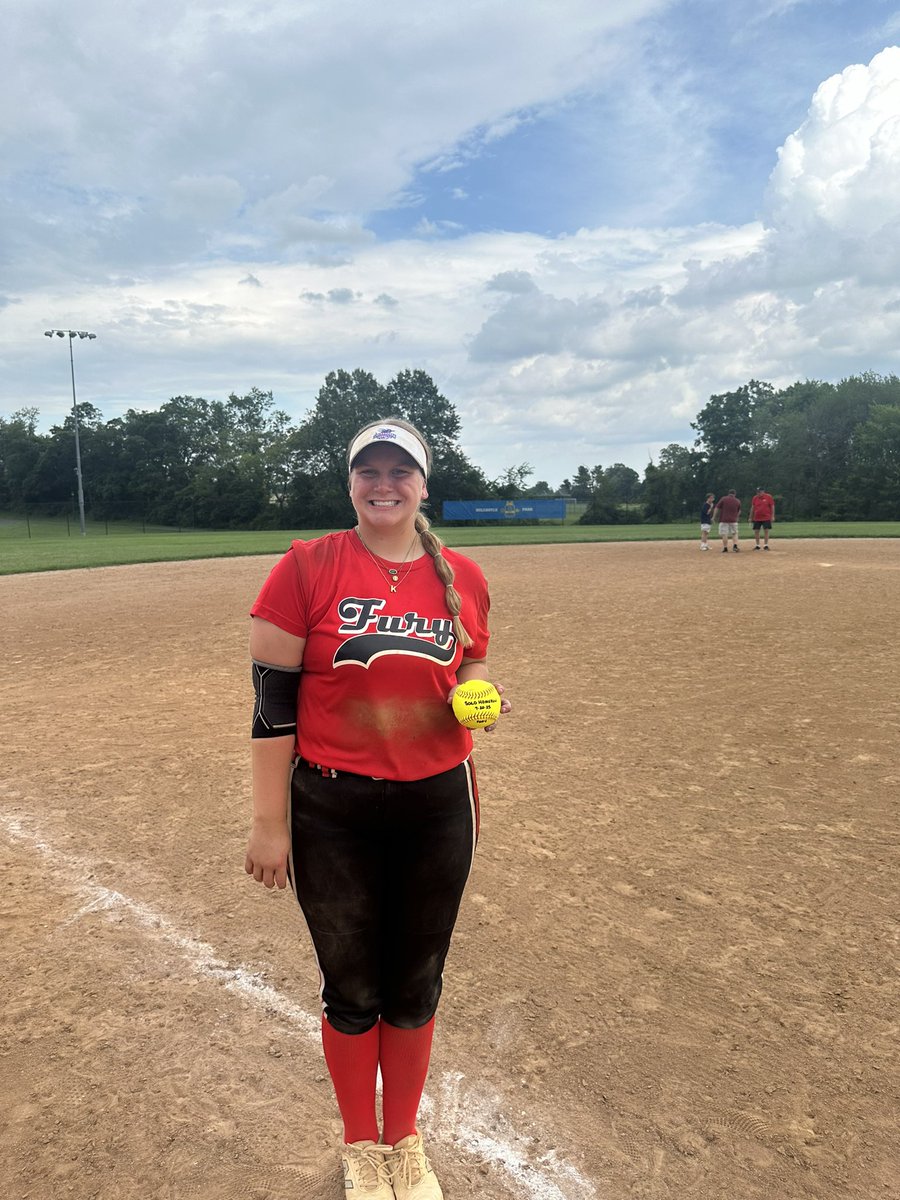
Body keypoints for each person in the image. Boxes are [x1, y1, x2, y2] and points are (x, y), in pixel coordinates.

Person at [244, 417, 510, 1199]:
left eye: (402, 470)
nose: (384, 483)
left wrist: (477, 698)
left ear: (425, 485)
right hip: (332, 809)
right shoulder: (305, 567)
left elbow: (475, 665)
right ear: (351, 481)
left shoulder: (461, 573)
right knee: (352, 986)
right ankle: (363, 1145)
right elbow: (271, 712)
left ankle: (405, 1140)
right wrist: (269, 823)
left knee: (416, 981)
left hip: (438, 803)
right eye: (370, 470)